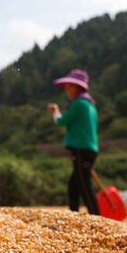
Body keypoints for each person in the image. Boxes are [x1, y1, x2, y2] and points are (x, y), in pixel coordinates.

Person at [48, 69, 100, 216]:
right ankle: (73, 216)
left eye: (71, 86)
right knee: (74, 185)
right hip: (89, 148)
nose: (67, 90)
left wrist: (55, 112)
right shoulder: (90, 104)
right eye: (67, 87)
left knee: (84, 185)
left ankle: (97, 218)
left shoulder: (79, 104)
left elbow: (61, 123)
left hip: (81, 149)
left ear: (79, 88)